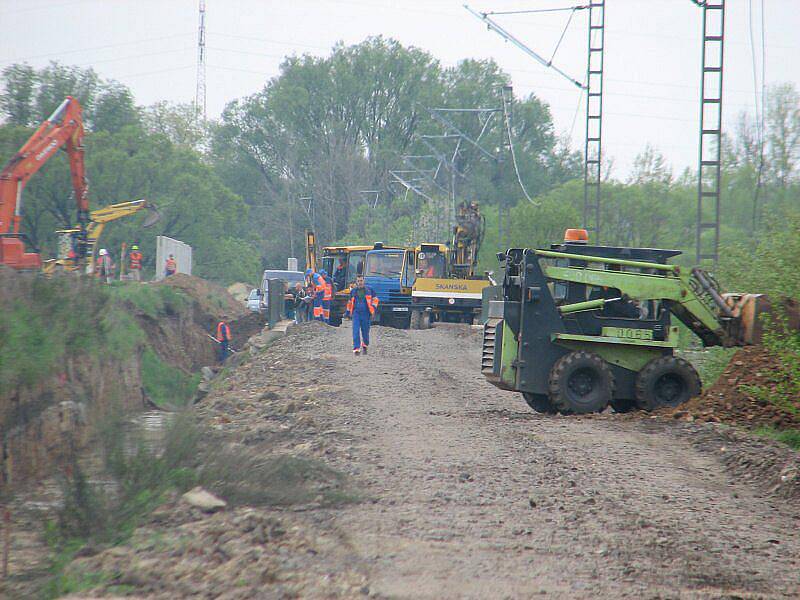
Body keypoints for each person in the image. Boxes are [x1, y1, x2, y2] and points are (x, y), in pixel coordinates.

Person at [346, 275, 379, 356]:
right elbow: (350, 302)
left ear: (364, 281)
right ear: (356, 282)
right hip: (356, 313)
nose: (360, 282)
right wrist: (347, 312)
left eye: (361, 281)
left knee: (365, 332)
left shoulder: (369, 290)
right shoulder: (353, 291)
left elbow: (375, 299)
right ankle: (356, 349)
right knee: (355, 331)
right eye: (358, 281)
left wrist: (373, 308)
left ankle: (365, 344)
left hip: (366, 313)